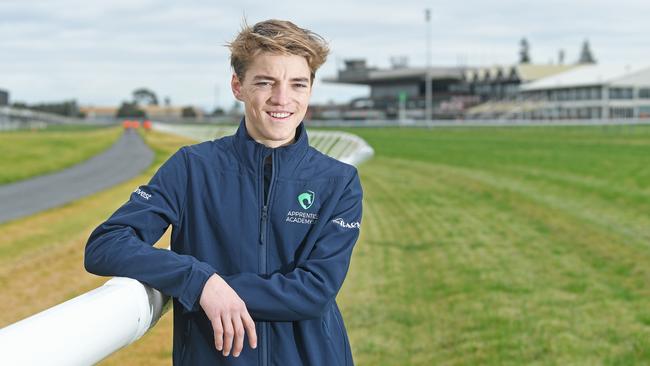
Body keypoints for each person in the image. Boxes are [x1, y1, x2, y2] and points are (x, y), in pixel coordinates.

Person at [84, 19, 363, 365]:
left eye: (297, 85)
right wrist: (199, 282)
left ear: (310, 89)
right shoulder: (191, 168)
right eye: (266, 82)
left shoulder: (339, 181)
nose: (282, 99)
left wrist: (222, 290)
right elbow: (106, 244)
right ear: (238, 86)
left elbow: (314, 291)